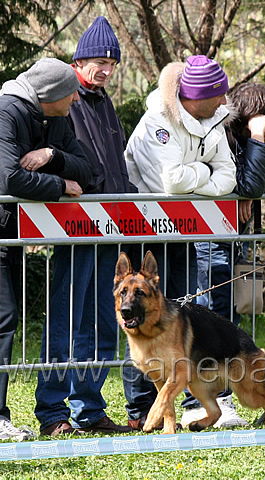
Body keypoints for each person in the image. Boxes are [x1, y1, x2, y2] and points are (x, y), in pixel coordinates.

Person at [34, 16, 135, 437]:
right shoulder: (64, 99)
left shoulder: (104, 101)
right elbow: (66, 159)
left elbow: (115, 163)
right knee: (65, 320)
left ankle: (90, 410)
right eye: (99, 61)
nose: (106, 70)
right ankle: (54, 413)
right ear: (79, 60)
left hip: (111, 231)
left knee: (102, 321)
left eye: (112, 63)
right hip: (75, 231)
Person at [124, 55, 236, 429]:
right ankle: (142, 407)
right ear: (197, 95)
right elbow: (170, 182)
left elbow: (229, 178)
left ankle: (181, 404)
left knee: (180, 319)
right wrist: (205, 174)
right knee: (139, 317)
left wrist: (194, 179)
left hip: (185, 230)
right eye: (218, 94)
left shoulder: (213, 120)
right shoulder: (158, 121)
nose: (224, 102)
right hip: (148, 229)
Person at [185, 82, 265, 427]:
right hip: (208, 237)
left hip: (238, 238)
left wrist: (247, 184)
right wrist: (253, 150)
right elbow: (246, 185)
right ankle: (202, 401)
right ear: (255, 115)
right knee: (207, 319)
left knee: (228, 320)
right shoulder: (219, 130)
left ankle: (222, 399)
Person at [0, 57, 93, 439]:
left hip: (11, 234)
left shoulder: (54, 117)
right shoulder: (7, 111)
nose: (76, 96)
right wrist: (59, 186)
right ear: (49, 94)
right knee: (3, 321)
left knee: (6, 321)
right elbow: (8, 177)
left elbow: (86, 168)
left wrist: (51, 156)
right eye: (70, 91)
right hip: (4, 232)